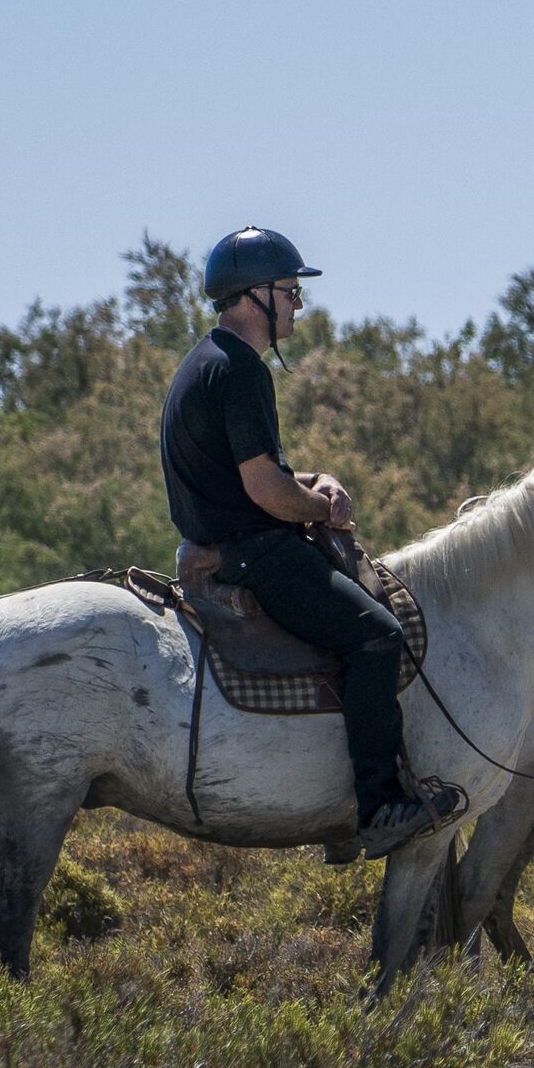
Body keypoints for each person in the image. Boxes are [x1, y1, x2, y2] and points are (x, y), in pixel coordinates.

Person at [159, 226, 460, 859]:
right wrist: (321, 506)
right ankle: (379, 806)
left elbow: (251, 473)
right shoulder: (241, 370)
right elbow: (265, 489)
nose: (298, 303)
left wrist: (313, 481)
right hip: (255, 553)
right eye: (291, 292)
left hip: (226, 543)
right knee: (378, 635)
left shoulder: (206, 361)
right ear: (256, 295)